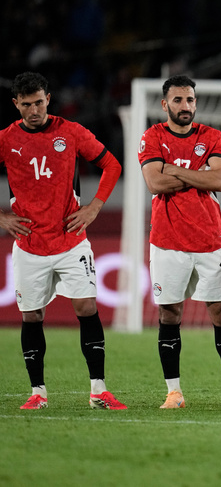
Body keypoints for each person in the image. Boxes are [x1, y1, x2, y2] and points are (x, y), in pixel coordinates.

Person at [0, 72, 125, 410]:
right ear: (16, 105)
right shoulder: (6, 139)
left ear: (48, 99)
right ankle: (37, 393)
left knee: (86, 307)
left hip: (71, 240)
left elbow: (111, 165)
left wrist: (95, 207)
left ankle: (98, 390)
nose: (34, 110)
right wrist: (2, 218)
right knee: (32, 317)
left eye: (39, 102)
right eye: (26, 105)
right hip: (29, 245)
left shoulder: (70, 132)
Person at [139, 75, 221, 410]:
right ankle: (174, 392)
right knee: (169, 313)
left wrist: (174, 169)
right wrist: (196, 173)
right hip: (167, 241)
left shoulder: (211, 136)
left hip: (209, 241)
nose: (185, 106)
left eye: (190, 99)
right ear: (165, 104)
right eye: (178, 100)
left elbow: (219, 179)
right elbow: (153, 183)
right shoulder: (152, 136)